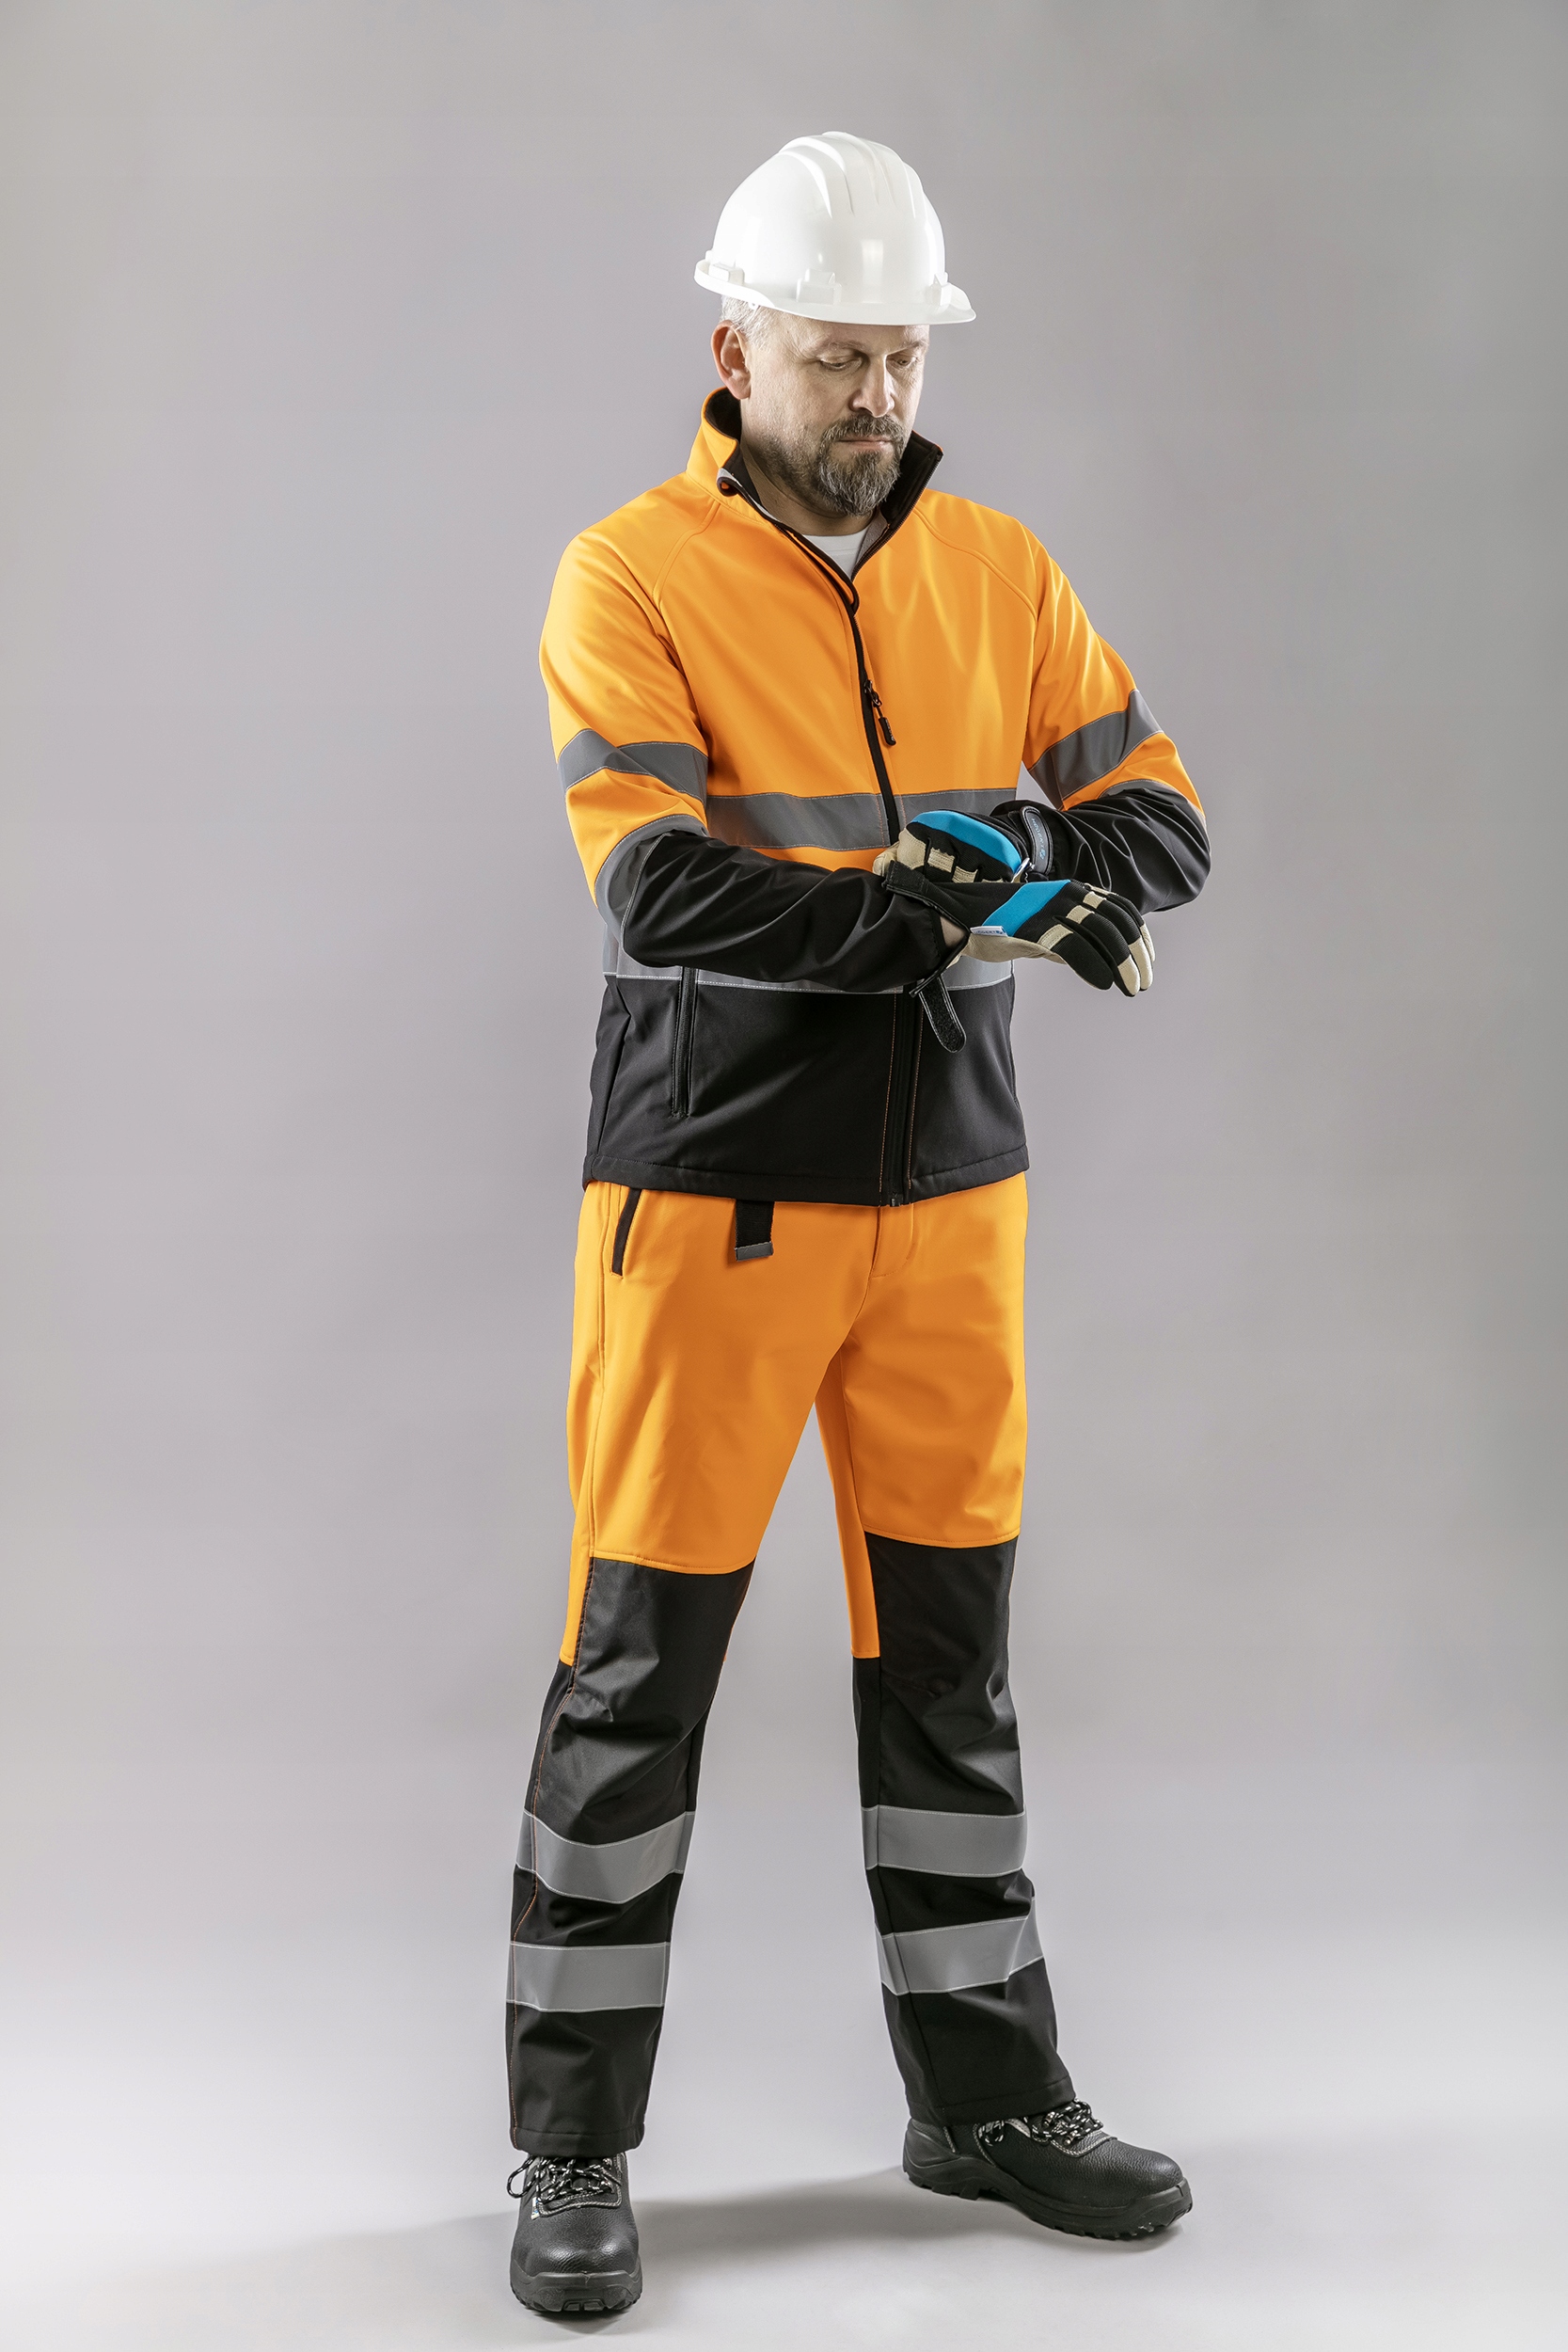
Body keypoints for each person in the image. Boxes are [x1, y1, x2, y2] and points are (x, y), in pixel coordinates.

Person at [505, 132, 1210, 2316]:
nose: (876, 393)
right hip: (714, 1198)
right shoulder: (628, 573)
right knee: (640, 1675)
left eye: (901, 353)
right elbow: (656, 885)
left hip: (950, 1206)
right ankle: (571, 2143)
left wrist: (1056, 877)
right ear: (736, 350)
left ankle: (984, 2096)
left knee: (953, 1672)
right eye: (836, 355)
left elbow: (1161, 813)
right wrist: (926, 907)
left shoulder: (999, 569)